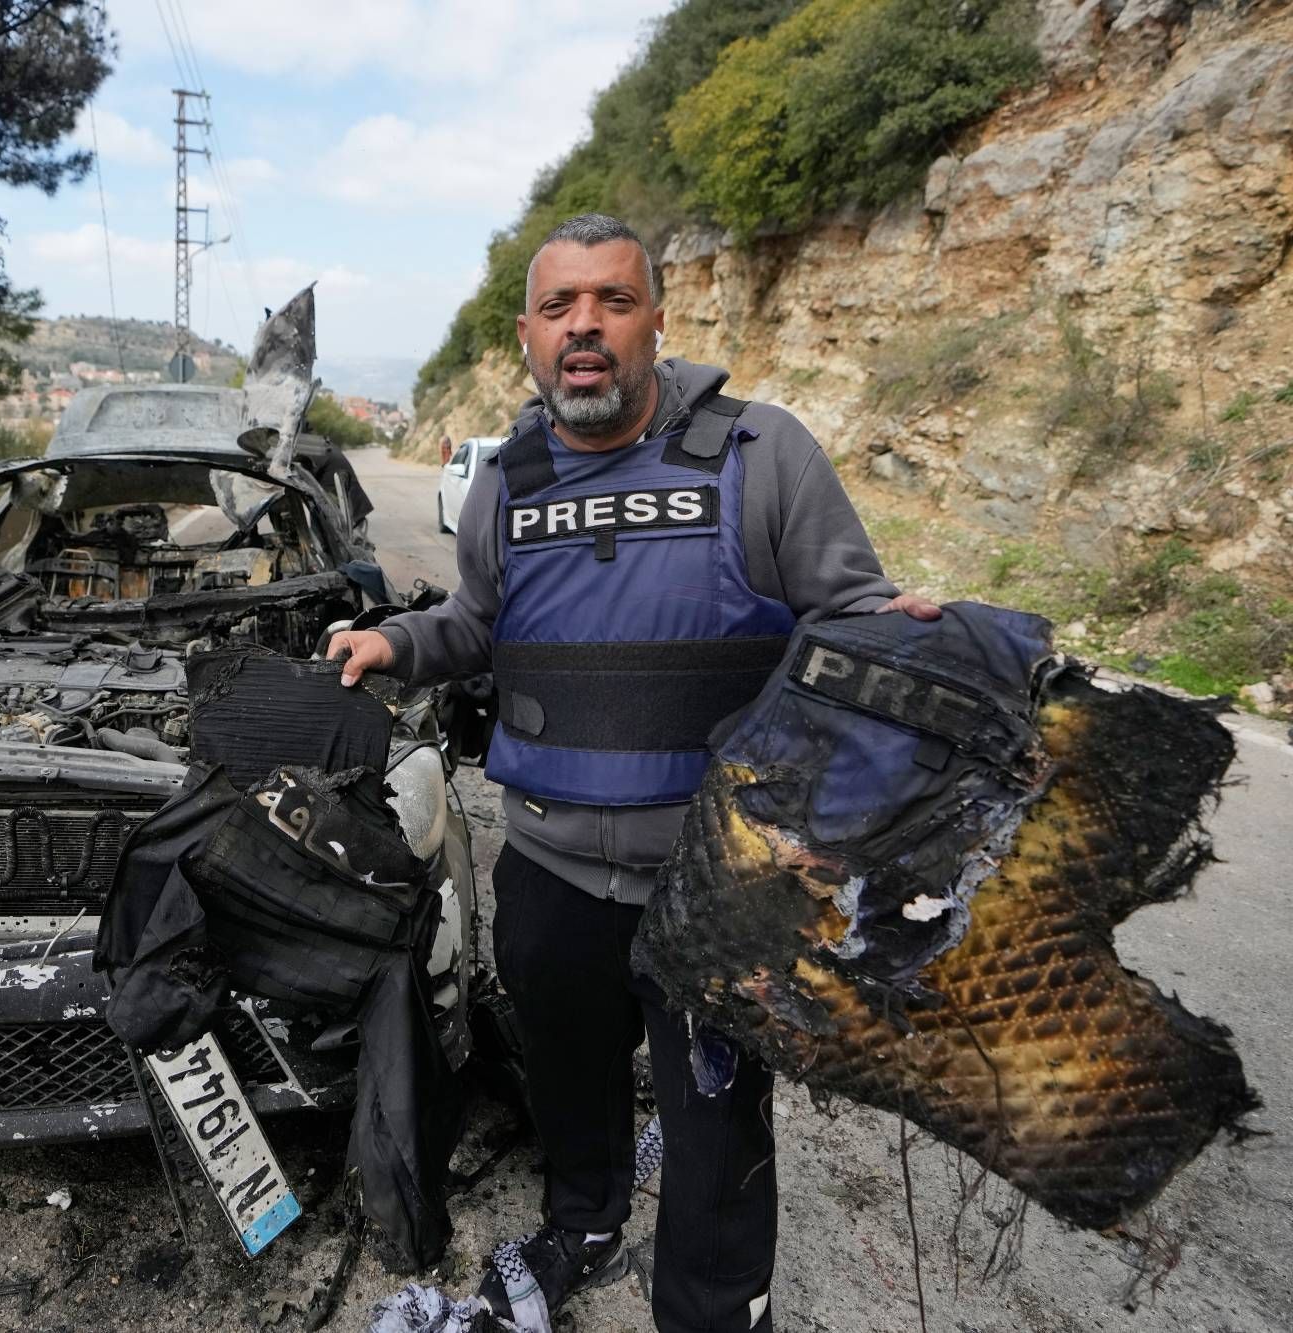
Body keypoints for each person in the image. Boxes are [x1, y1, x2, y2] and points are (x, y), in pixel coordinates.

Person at [328, 213, 938, 1333]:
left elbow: (849, 613)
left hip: (718, 881)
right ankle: (584, 1222)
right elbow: (473, 622)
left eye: (611, 300)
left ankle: (712, 1309)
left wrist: (902, 638)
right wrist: (392, 643)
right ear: (527, 335)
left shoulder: (761, 453)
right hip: (550, 873)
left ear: (656, 320)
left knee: (717, 1120)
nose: (584, 326)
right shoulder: (508, 479)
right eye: (558, 306)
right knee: (569, 1079)